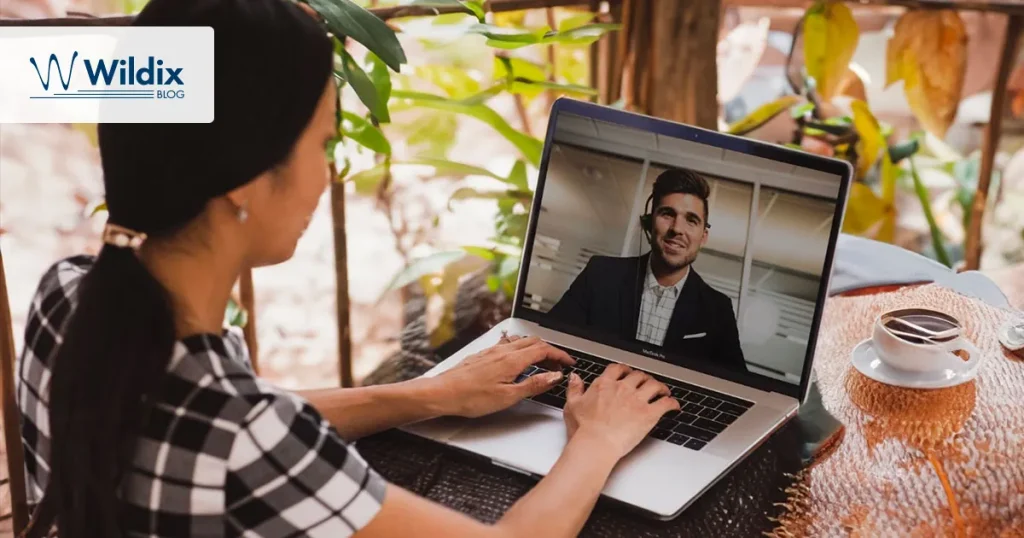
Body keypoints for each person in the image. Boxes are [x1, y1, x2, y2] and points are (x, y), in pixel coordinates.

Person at [13, 0, 682, 536]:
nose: (329, 174)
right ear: (245, 181)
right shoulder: (249, 435)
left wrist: (428, 395)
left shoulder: (68, 297)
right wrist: (597, 439)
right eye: (324, 144)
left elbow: (222, 419)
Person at [547, 168, 747, 374]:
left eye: (691, 220)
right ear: (649, 223)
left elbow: (739, 383)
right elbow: (550, 341)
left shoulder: (718, 309)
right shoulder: (600, 273)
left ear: (703, 237)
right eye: (667, 214)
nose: (677, 229)